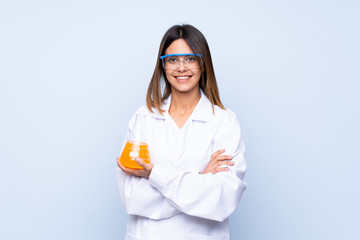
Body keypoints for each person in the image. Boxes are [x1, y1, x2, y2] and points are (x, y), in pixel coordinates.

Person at [116, 24, 247, 240]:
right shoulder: (143, 118)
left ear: (203, 63)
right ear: (163, 65)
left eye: (190, 58)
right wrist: (200, 177)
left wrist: (154, 175)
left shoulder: (224, 121)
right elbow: (131, 197)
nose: (181, 67)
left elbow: (222, 198)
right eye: (173, 60)